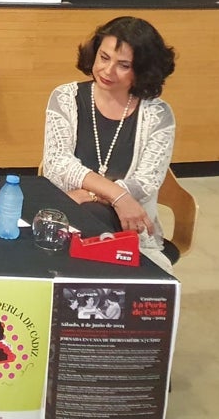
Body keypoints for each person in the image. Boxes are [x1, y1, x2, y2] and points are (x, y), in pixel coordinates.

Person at [42, 16, 177, 271]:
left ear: (143, 70)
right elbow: (57, 164)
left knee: (96, 215)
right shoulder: (65, 97)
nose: (108, 71)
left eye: (123, 65)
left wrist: (91, 195)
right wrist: (117, 196)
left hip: (129, 228)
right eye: (104, 58)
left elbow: (146, 182)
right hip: (67, 220)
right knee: (91, 218)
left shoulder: (158, 114)